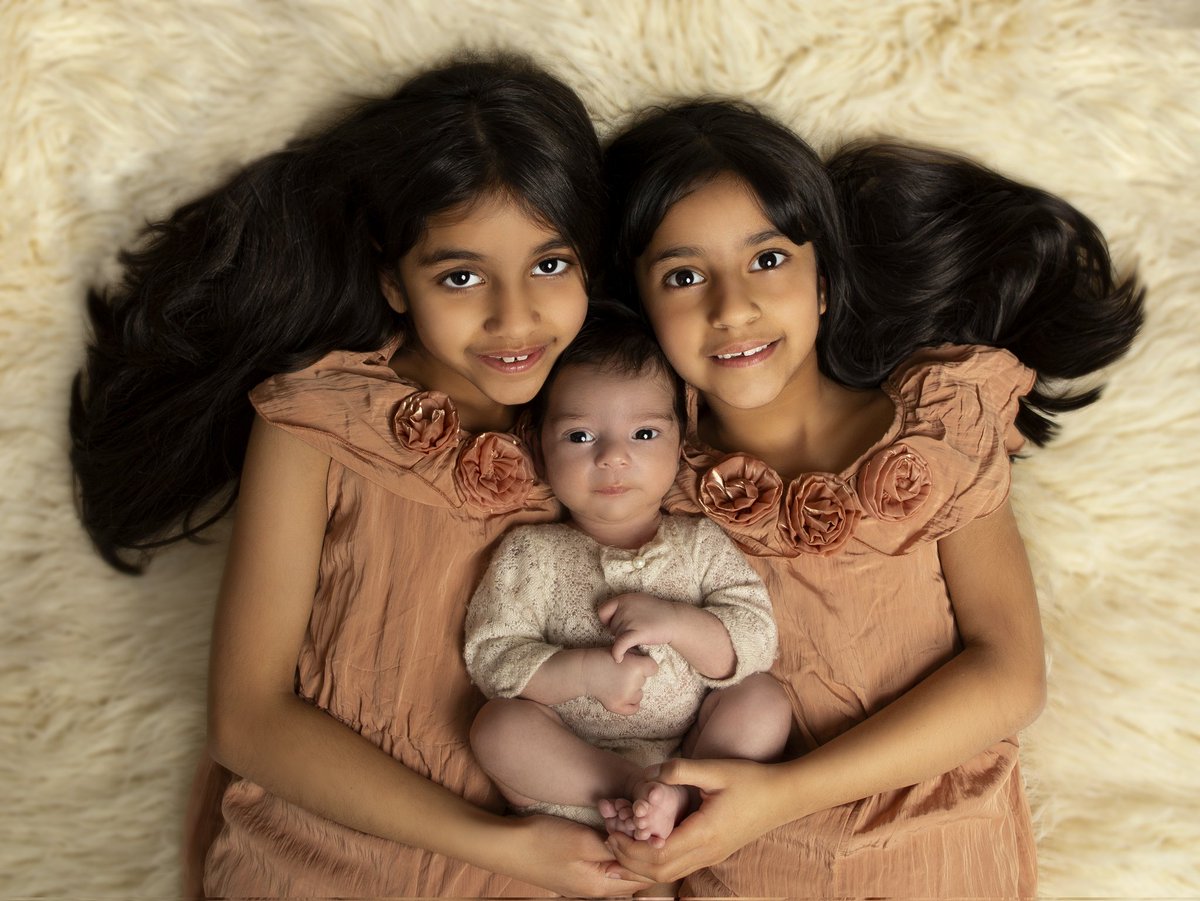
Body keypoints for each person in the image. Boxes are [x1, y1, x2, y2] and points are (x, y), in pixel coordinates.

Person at [68, 55, 656, 898]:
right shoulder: (315, 425)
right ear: (392, 276)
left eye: (550, 265)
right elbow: (248, 719)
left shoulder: (618, 430)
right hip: (330, 866)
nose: (515, 315)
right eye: (461, 276)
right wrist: (502, 846)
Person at [598, 100, 1144, 897]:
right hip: (750, 868)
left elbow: (1010, 674)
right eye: (684, 276)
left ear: (823, 282)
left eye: (769, 260)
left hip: (944, 852)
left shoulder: (932, 431)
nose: (732, 306)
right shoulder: (649, 483)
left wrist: (784, 793)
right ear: (643, 305)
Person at [464, 307, 791, 867]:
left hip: (695, 756)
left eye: (643, 433)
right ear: (538, 448)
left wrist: (680, 623)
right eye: (580, 434)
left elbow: (757, 639)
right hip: (573, 779)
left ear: (681, 441)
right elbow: (493, 657)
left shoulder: (700, 543)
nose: (613, 456)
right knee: (496, 726)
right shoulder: (531, 553)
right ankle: (638, 790)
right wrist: (584, 673)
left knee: (764, 699)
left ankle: (674, 796)